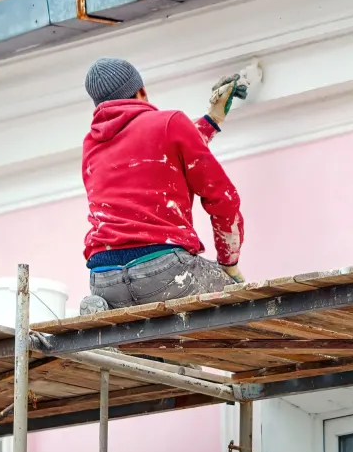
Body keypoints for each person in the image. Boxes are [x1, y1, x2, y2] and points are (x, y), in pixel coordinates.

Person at [78, 57, 247, 315]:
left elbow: (154, 151)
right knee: (242, 305)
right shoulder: (170, 124)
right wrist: (229, 264)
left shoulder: (91, 146)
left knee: (150, 346)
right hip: (165, 271)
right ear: (141, 91)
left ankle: (99, 311)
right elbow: (224, 199)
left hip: (104, 279)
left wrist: (212, 120)